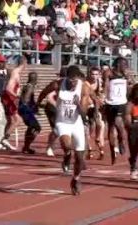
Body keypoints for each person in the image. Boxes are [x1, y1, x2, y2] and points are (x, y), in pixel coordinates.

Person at [37, 65, 91, 195]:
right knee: (67, 146)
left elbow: (83, 115)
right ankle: (66, 156)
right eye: (71, 80)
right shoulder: (58, 84)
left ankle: (76, 179)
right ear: (67, 78)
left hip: (76, 123)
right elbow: (44, 91)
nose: (73, 83)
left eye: (75, 80)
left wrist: (78, 104)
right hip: (62, 122)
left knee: (80, 158)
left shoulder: (83, 88)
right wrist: (38, 102)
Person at [103, 57, 133, 165]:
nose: (126, 66)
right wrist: (103, 98)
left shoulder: (126, 74)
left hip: (121, 103)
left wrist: (129, 80)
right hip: (110, 103)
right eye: (124, 64)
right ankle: (112, 151)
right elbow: (105, 85)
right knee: (110, 127)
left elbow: (131, 85)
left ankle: (121, 140)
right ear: (118, 64)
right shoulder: (109, 73)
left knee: (119, 124)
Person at [37, 67, 67, 157]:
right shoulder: (55, 84)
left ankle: (52, 146)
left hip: (63, 108)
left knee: (59, 129)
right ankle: (50, 147)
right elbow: (44, 93)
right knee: (57, 129)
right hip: (52, 108)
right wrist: (38, 103)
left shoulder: (71, 84)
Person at [1, 57, 27, 151]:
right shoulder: (15, 73)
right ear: (24, 63)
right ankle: (5, 139)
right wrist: (16, 96)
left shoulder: (16, 73)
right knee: (18, 120)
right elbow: (8, 88)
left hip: (8, 99)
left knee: (10, 121)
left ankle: (4, 141)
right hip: (9, 99)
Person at [84, 66, 106, 160]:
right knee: (88, 130)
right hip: (85, 108)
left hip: (94, 107)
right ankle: (89, 149)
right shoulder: (85, 83)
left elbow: (100, 94)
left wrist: (101, 98)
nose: (94, 76)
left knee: (100, 125)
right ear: (89, 74)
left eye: (96, 74)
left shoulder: (99, 82)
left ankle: (100, 145)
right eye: (92, 74)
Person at [17, 72, 41, 154]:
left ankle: (26, 147)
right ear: (34, 79)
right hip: (25, 110)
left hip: (24, 109)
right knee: (37, 127)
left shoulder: (27, 86)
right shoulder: (30, 87)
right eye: (36, 78)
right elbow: (25, 100)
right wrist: (30, 108)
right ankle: (26, 146)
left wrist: (37, 106)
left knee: (31, 128)